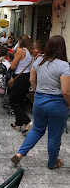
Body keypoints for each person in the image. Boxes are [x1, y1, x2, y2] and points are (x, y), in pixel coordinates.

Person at [11, 35, 70, 169]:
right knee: (54, 135)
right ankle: (52, 162)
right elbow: (66, 91)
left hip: (39, 101)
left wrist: (39, 92)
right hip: (57, 104)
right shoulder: (64, 66)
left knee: (37, 130)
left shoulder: (38, 62)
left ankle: (20, 154)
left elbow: (32, 80)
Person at [9, 34, 34, 135]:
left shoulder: (20, 51)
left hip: (19, 78)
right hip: (27, 77)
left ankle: (27, 121)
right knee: (19, 101)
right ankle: (18, 123)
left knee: (13, 101)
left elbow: (13, 66)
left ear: (20, 41)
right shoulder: (31, 52)